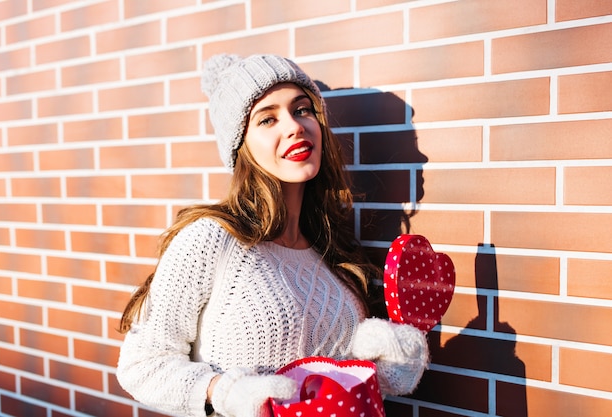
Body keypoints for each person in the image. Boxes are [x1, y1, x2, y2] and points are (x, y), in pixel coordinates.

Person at [116, 54, 429, 417]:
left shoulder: (334, 249)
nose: (295, 126)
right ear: (241, 146)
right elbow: (142, 366)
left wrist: (385, 367)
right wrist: (225, 391)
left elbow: (333, 384)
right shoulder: (211, 240)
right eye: (268, 118)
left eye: (302, 110)